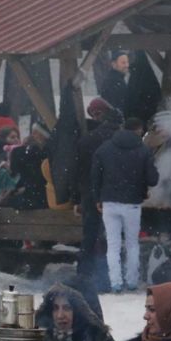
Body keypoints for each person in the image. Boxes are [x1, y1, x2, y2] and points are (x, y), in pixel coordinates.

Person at [93, 116, 159, 292]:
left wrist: (98, 198)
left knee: (113, 245)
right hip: (132, 204)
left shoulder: (104, 149)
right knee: (132, 244)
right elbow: (153, 179)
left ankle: (115, 283)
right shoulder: (143, 150)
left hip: (109, 202)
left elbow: (95, 176)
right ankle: (132, 281)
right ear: (139, 130)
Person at [75, 98, 122, 288]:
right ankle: (110, 277)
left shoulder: (86, 140)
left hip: (91, 194)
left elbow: (78, 171)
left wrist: (78, 197)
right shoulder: (120, 140)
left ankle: (84, 275)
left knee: (90, 236)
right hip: (115, 194)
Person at [7, 123, 50, 211]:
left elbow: (14, 173)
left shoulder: (18, 152)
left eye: (35, 132)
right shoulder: (47, 153)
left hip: (29, 198)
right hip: (44, 198)